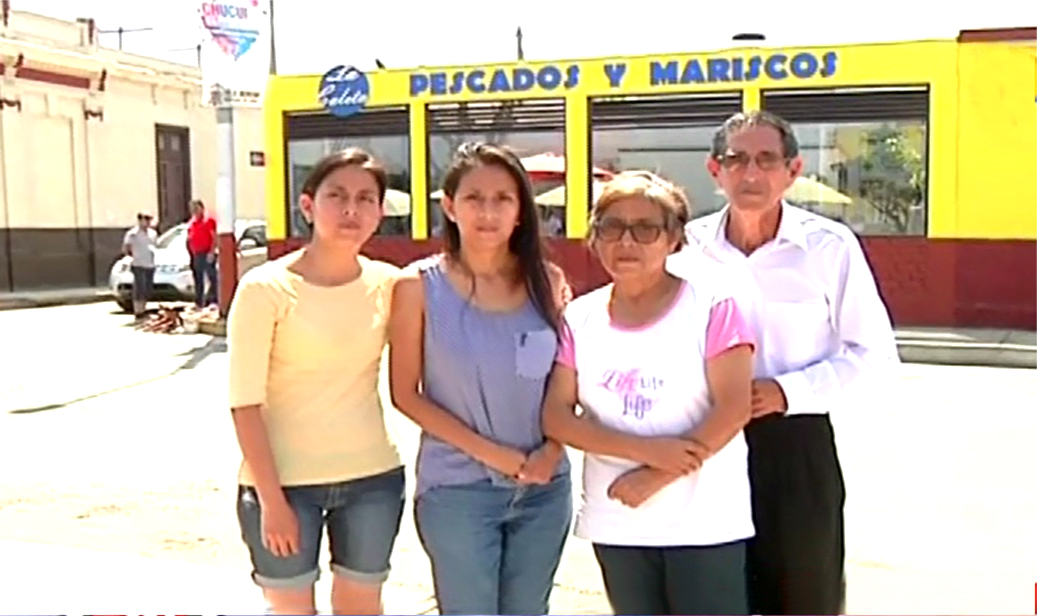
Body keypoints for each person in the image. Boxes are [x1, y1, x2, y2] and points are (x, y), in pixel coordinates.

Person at [670, 110, 900, 615]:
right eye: (736, 159)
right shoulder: (685, 249)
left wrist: (787, 392)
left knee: (805, 595)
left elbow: (874, 356)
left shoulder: (828, 247)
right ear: (715, 170)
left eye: (766, 160)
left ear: (792, 170)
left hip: (795, 444)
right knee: (713, 596)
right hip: (707, 442)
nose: (750, 173)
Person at [541, 171, 757, 616]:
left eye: (645, 229)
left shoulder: (713, 307)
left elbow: (734, 407)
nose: (627, 241)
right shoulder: (578, 318)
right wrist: (646, 452)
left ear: (674, 238)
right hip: (617, 517)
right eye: (612, 227)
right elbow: (557, 417)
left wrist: (655, 475)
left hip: (703, 521)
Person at [389, 142, 572, 615]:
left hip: (544, 488)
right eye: (474, 198)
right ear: (450, 206)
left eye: (503, 199)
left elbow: (566, 384)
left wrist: (552, 451)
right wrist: (495, 455)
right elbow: (406, 394)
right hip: (457, 491)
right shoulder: (417, 287)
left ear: (520, 211)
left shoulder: (548, 282)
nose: (488, 213)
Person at [226, 149, 406, 616]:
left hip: (372, 479)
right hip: (283, 486)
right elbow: (244, 404)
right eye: (337, 196)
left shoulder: (391, 284)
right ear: (307, 206)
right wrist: (272, 501)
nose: (351, 210)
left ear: (380, 212)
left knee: (362, 607)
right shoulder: (265, 288)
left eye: (366, 198)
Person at [122, 212, 157, 319]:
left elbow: (154, 246)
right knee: (139, 287)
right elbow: (126, 248)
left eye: (149, 220)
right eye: (145, 219)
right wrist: (131, 257)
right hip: (138, 263)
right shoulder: (132, 234)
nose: (147, 222)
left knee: (147, 288)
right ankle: (138, 311)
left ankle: (144, 308)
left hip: (150, 263)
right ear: (140, 220)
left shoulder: (153, 233)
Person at [186, 198, 218, 307]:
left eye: (196, 208)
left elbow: (214, 237)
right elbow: (189, 238)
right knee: (198, 278)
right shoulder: (192, 222)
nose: (194, 210)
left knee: (212, 277)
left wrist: (211, 252)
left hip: (207, 252)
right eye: (192, 208)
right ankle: (199, 302)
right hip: (196, 254)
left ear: (202, 208)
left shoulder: (208, 220)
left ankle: (213, 300)